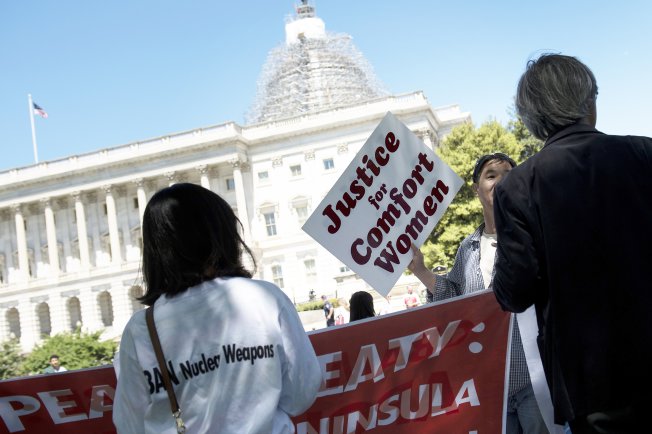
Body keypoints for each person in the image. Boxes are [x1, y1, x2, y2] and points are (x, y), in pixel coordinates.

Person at [492, 53, 652, 434]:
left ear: (532, 119)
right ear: (589, 101)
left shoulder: (517, 187)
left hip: (590, 384)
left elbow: (515, 293)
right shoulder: (645, 154)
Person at [113, 183, 322, 434]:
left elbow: (130, 425)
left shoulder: (142, 330)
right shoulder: (265, 298)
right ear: (222, 234)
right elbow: (300, 394)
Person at [409, 152, 548, 434]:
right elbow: (456, 299)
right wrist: (422, 272)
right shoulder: (468, 248)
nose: (500, 182)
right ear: (476, 189)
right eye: (491, 175)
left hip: (534, 383)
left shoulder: (537, 234)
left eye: (509, 175)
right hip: (490, 385)